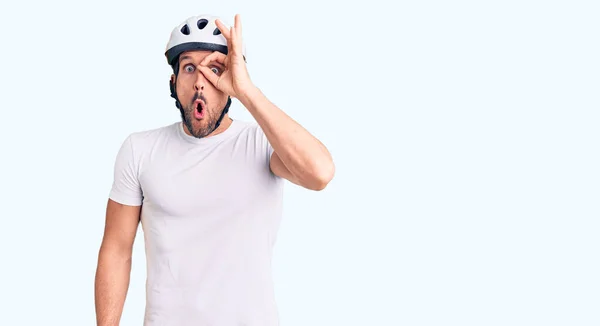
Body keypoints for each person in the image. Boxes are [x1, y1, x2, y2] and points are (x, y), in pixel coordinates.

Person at [94, 13, 335, 326]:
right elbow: (116, 250)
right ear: (173, 82)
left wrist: (247, 90)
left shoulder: (263, 143)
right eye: (189, 68)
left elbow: (320, 173)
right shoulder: (140, 149)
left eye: (214, 69)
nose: (199, 82)